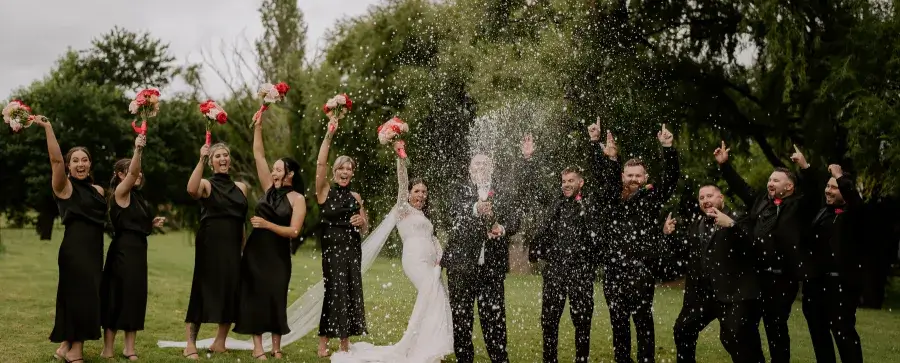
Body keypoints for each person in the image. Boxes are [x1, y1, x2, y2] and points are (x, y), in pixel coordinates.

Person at [331, 141, 454, 363]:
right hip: (414, 261)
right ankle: (428, 349)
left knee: (436, 299)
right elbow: (402, 182)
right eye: (417, 191)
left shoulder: (425, 217)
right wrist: (401, 158)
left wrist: (439, 257)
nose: (421, 195)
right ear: (408, 194)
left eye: (424, 192)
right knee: (433, 297)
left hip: (432, 264)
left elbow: (433, 239)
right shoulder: (403, 209)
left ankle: (433, 347)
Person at [714, 141, 818, 363]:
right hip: (755, 275)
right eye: (770, 179)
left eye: (776, 180)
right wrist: (725, 166)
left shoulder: (799, 206)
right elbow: (742, 188)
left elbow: (813, 192)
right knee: (746, 325)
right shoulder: (761, 201)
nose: (770, 182)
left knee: (775, 327)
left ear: (789, 187)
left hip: (782, 278)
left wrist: (805, 166)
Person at [592, 122, 680, 363]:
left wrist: (668, 148)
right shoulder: (612, 198)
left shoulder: (652, 198)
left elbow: (671, 179)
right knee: (618, 326)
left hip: (641, 272)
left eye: (637, 175)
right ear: (622, 176)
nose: (633, 179)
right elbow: (605, 180)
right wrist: (610, 158)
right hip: (613, 272)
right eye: (629, 175)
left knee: (644, 325)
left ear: (645, 177)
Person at [441, 135, 530, 363]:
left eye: (485, 164)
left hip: (491, 269)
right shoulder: (458, 189)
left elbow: (514, 218)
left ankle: (500, 359)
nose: (480, 168)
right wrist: (475, 209)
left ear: (491, 169)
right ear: (470, 169)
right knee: (462, 320)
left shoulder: (503, 191)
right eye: (476, 164)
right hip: (461, 267)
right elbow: (452, 214)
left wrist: (501, 226)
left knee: (495, 321)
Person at [233, 114, 307, 360]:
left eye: (278, 169)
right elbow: (258, 155)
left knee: (276, 295)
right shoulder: (268, 188)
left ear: (289, 174)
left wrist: (266, 224)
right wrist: (258, 126)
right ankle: (258, 348)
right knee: (255, 296)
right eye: (273, 169)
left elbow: (294, 231)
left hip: (278, 255)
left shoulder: (298, 199)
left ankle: (276, 347)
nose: (273, 172)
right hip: (255, 253)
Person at [663, 185, 764, 363]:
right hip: (704, 295)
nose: (705, 200)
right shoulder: (697, 224)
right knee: (683, 329)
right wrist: (669, 235)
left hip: (733, 294)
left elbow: (752, 248)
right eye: (701, 198)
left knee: (735, 340)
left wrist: (732, 226)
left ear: (721, 198)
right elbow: (686, 253)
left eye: (710, 196)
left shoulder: (740, 218)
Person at [33, 116, 106, 363]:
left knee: (83, 295)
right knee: (80, 296)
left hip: (95, 250)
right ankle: (75, 350)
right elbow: (54, 160)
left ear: (90, 164)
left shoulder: (98, 191)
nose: (80, 164)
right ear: (68, 165)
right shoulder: (64, 187)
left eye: (84, 160)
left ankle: (65, 346)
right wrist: (48, 128)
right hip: (75, 251)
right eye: (75, 161)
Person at [99, 136, 166, 361]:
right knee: (116, 297)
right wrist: (138, 150)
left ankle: (129, 348)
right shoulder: (121, 192)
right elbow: (133, 173)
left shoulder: (138, 197)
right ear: (120, 175)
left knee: (135, 297)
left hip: (139, 251)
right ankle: (107, 348)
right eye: (130, 172)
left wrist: (150, 223)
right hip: (122, 252)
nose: (138, 174)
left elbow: (134, 220)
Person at [529, 164, 604, 363]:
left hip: (581, 272)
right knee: (549, 322)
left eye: (571, 181)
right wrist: (531, 160)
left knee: (582, 323)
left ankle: (582, 359)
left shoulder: (591, 203)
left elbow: (596, 237)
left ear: (581, 182)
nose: (566, 185)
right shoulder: (556, 203)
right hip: (555, 271)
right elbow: (538, 189)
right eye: (564, 181)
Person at [183, 142, 249, 359]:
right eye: (218, 156)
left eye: (226, 155)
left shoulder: (241, 188)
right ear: (211, 162)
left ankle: (219, 342)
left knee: (231, 290)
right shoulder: (206, 184)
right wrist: (200, 158)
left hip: (232, 246)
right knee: (202, 290)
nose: (223, 159)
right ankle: (190, 343)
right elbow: (191, 190)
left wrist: (244, 249)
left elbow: (242, 222)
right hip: (210, 244)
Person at [315, 114, 370, 357]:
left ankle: (345, 343)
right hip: (332, 247)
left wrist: (362, 221)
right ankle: (323, 342)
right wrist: (329, 134)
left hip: (352, 249)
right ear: (335, 171)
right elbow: (320, 165)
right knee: (333, 290)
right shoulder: (324, 191)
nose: (345, 172)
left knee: (348, 290)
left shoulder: (356, 197)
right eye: (341, 168)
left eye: (349, 169)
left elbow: (365, 226)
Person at [801, 163, 864, 363]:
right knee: (819, 338)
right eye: (827, 186)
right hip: (815, 285)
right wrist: (805, 168)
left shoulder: (855, 214)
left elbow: (854, 201)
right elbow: (810, 192)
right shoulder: (823, 212)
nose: (828, 190)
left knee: (843, 334)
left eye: (834, 186)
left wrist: (840, 176)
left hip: (841, 287)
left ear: (845, 190)